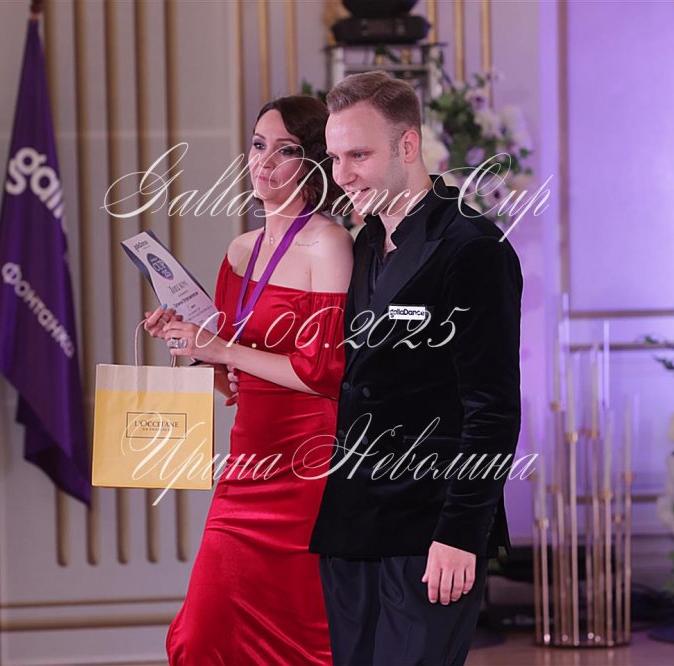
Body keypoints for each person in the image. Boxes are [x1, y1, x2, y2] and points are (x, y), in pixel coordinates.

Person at [308, 71, 523, 666]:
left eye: (358, 155)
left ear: (408, 146)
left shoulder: (474, 249)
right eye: (335, 158)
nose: (342, 174)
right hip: (351, 527)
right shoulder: (361, 245)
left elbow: (493, 411)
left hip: (430, 530)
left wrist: (460, 533)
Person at [145, 95, 352, 665]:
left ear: (313, 164)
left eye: (285, 150)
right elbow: (231, 382)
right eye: (258, 145)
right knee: (200, 636)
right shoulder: (240, 251)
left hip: (308, 470)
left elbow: (323, 373)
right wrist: (189, 342)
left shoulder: (329, 243)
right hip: (246, 468)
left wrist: (219, 347)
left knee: (305, 641)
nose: (264, 161)